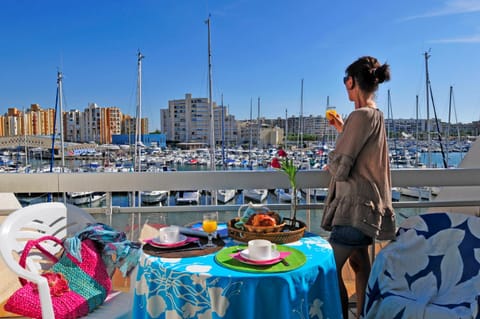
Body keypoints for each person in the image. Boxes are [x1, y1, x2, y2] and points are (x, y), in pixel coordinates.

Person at [321, 56, 396, 318]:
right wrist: (343, 128)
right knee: (359, 263)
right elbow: (363, 154)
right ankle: (363, 314)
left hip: (353, 209)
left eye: (345, 81)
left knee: (328, 271)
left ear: (351, 81)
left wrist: (331, 164)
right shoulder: (375, 115)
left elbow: (341, 168)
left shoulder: (360, 115)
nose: (345, 86)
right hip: (368, 207)